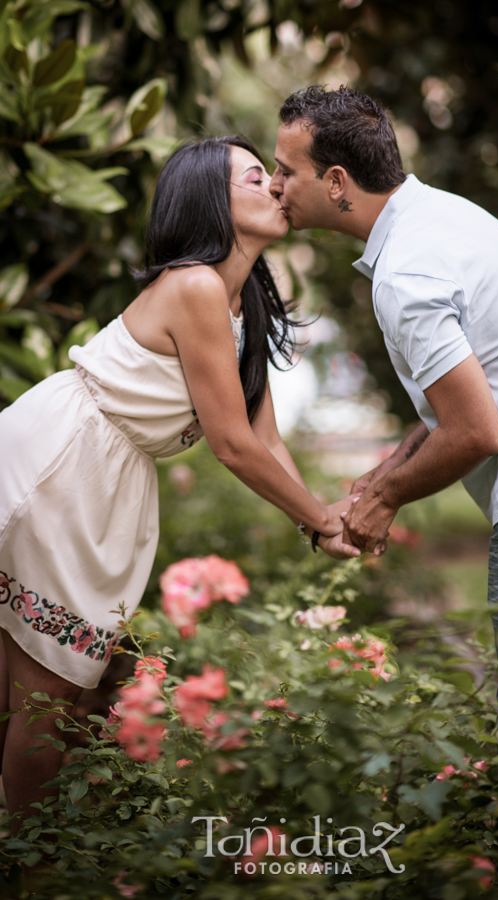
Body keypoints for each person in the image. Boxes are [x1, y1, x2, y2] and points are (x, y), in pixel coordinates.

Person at [0, 135, 361, 830]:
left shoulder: (245, 298)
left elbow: (265, 438)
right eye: (256, 177)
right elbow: (229, 445)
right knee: (50, 691)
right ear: (209, 202)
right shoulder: (194, 285)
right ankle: (31, 873)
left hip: (106, 477)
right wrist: (319, 520)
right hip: (62, 461)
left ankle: (34, 857)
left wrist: (326, 520)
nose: (277, 187)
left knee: (58, 695)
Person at [270, 85, 498, 839]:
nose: (275, 185)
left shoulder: (407, 274)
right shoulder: (438, 217)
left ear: (335, 182)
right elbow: (472, 398)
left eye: (285, 169)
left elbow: (475, 431)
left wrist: (381, 502)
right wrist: (384, 473)